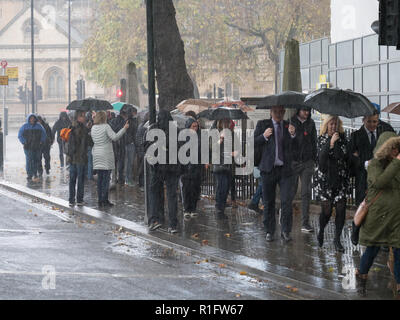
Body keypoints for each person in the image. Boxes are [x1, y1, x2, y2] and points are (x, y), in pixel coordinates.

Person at [356, 132, 400, 298]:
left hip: (396, 217)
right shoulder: (375, 165)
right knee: (372, 248)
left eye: (397, 147)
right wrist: (396, 163)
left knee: (398, 251)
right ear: (385, 148)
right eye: (392, 147)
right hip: (378, 217)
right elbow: (380, 182)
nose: (395, 150)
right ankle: (361, 275)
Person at [349, 107, 394, 246]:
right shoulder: (356, 135)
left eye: (375, 121)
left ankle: (382, 239)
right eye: (369, 122)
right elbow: (350, 157)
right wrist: (362, 162)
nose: (373, 125)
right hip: (363, 176)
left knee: (381, 207)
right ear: (363, 120)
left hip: (379, 176)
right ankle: (356, 229)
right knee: (363, 206)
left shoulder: (383, 132)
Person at [254, 105, 296, 242]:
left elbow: (296, 147)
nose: (278, 114)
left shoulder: (289, 126)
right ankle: (269, 231)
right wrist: (264, 136)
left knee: (286, 201)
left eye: (281, 112)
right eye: (275, 112)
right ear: (271, 112)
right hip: (268, 169)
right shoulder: (263, 124)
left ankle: (285, 230)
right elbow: (253, 142)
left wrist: (293, 135)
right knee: (268, 202)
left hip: (284, 170)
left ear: (284, 112)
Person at [313, 115, 351, 252]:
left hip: (340, 180)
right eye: (331, 124)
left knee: (341, 210)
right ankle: (322, 230)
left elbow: (342, 157)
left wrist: (336, 144)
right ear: (326, 125)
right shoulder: (320, 139)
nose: (333, 126)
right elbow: (321, 160)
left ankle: (337, 239)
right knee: (327, 211)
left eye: (336, 124)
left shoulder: (343, 140)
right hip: (324, 181)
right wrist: (330, 143)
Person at [147, 110, 181, 233]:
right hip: (171, 168)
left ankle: (155, 219)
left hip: (158, 168)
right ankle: (172, 224)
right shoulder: (175, 131)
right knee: (171, 196)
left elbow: (148, 147)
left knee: (154, 193)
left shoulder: (155, 129)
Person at [91, 111, 128, 207]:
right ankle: (105, 200)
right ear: (104, 118)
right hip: (106, 155)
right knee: (106, 179)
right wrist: (124, 129)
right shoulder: (106, 126)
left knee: (100, 179)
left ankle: (100, 200)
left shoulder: (93, 128)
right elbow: (115, 137)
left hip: (97, 155)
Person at [290, 107, 318, 233]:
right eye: (304, 110)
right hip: (294, 161)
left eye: (308, 110)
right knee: (290, 190)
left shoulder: (310, 123)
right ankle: (285, 217)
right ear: (298, 110)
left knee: (306, 192)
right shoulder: (291, 122)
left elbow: (314, 141)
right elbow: (288, 142)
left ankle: (305, 223)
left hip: (307, 161)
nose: (307, 113)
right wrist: (292, 134)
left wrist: (313, 158)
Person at [212, 118, 240, 219]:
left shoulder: (233, 135)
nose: (226, 124)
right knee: (221, 187)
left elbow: (238, 148)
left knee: (226, 188)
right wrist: (220, 140)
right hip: (219, 165)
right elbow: (212, 148)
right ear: (220, 123)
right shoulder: (216, 133)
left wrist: (235, 153)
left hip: (229, 166)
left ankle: (221, 207)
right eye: (224, 122)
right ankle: (219, 209)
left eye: (227, 122)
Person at [67, 111, 93, 207]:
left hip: (72, 157)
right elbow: (89, 143)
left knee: (72, 179)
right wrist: (88, 130)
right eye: (82, 116)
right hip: (80, 158)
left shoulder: (71, 127)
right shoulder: (82, 129)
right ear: (78, 117)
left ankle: (71, 199)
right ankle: (79, 199)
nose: (84, 117)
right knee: (81, 179)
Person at [180, 117, 202, 218]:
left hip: (196, 166)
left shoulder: (199, 136)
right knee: (186, 188)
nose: (195, 128)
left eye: (196, 126)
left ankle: (193, 208)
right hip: (186, 166)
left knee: (195, 188)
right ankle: (186, 208)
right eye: (193, 126)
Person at [18, 114, 47, 181]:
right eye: (31, 118)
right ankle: (29, 174)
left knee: (36, 160)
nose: (32, 120)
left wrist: (41, 141)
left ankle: (35, 173)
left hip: (37, 147)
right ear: (29, 119)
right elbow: (20, 135)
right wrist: (24, 142)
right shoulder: (24, 126)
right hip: (27, 147)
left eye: (33, 118)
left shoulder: (39, 126)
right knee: (29, 160)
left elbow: (44, 134)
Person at [135, 112, 150, 189]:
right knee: (143, 168)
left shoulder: (141, 125)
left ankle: (142, 183)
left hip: (140, 149)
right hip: (142, 150)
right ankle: (142, 184)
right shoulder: (145, 127)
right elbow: (143, 139)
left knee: (142, 168)